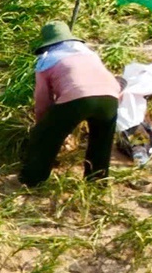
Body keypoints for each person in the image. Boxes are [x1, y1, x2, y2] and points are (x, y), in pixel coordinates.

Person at [21, 21, 122, 187]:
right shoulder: (89, 54)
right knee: (102, 141)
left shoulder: (47, 60)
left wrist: (42, 125)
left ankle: (33, 180)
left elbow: (43, 100)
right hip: (111, 96)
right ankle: (97, 182)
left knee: (46, 136)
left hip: (79, 96)